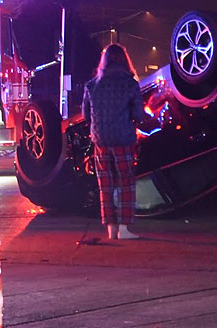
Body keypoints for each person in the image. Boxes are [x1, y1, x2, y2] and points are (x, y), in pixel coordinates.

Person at [82, 43, 144, 240]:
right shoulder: (130, 84)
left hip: (100, 140)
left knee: (105, 185)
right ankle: (125, 229)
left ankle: (111, 228)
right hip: (123, 139)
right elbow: (139, 114)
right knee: (125, 183)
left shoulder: (92, 85)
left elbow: (85, 115)